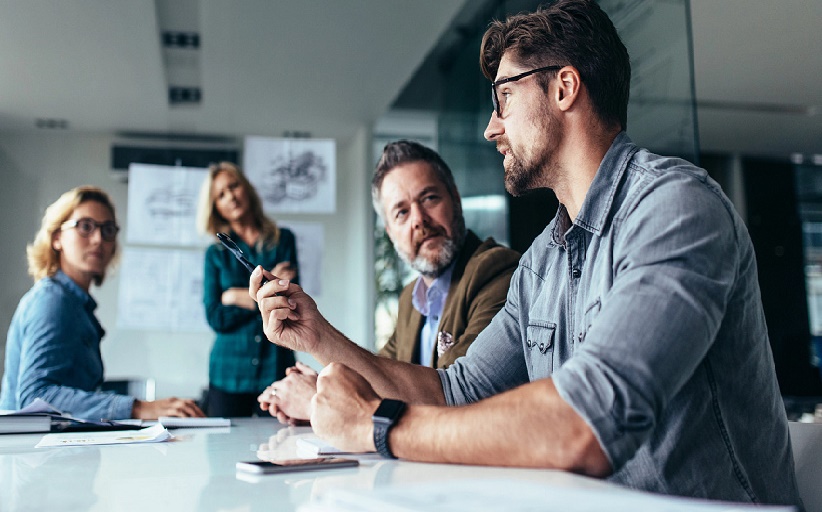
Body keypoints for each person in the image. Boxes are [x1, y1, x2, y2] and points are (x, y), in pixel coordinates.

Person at [251, 0, 802, 506]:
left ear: (564, 88)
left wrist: (378, 425)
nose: (492, 127)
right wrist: (316, 335)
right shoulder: (542, 261)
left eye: (504, 97)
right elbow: (456, 391)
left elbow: (587, 421)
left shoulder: (675, 208)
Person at [257, 141, 520, 422]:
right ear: (390, 232)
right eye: (401, 212)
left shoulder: (497, 271)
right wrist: (320, 383)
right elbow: (381, 378)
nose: (418, 220)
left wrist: (318, 402)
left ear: (455, 198)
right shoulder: (411, 298)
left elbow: (457, 400)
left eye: (430, 198)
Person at [0, 185, 204, 420]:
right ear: (57, 238)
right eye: (85, 227)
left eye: (107, 230)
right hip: (32, 453)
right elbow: (35, 397)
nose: (98, 239)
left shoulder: (77, 306)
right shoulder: (52, 300)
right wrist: (138, 408)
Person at [198, 162, 298, 417]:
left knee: (279, 446)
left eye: (234, 186)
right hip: (228, 373)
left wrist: (232, 296)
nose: (230, 196)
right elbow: (215, 316)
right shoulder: (215, 254)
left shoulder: (283, 239)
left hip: (275, 368)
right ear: (215, 207)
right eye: (220, 194)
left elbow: (287, 302)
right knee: (223, 452)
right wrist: (264, 296)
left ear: (247, 188)